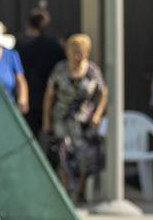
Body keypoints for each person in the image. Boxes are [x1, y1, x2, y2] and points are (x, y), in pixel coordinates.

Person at [43, 32, 107, 206]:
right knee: (63, 155)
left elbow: (103, 93)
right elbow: (49, 96)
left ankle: (79, 193)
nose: (78, 54)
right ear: (68, 51)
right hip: (61, 119)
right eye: (75, 50)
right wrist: (46, 120)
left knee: (84, 159)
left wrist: (97, 114)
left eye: (82, 50)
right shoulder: (60, 69)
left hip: (84, 122)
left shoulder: (92, 70)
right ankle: (65, 193)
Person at [19, 9, 65, 134]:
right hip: (52, 99)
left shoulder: (21, 45)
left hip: (28, 100)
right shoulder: (54, 46)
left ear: (28, 24)